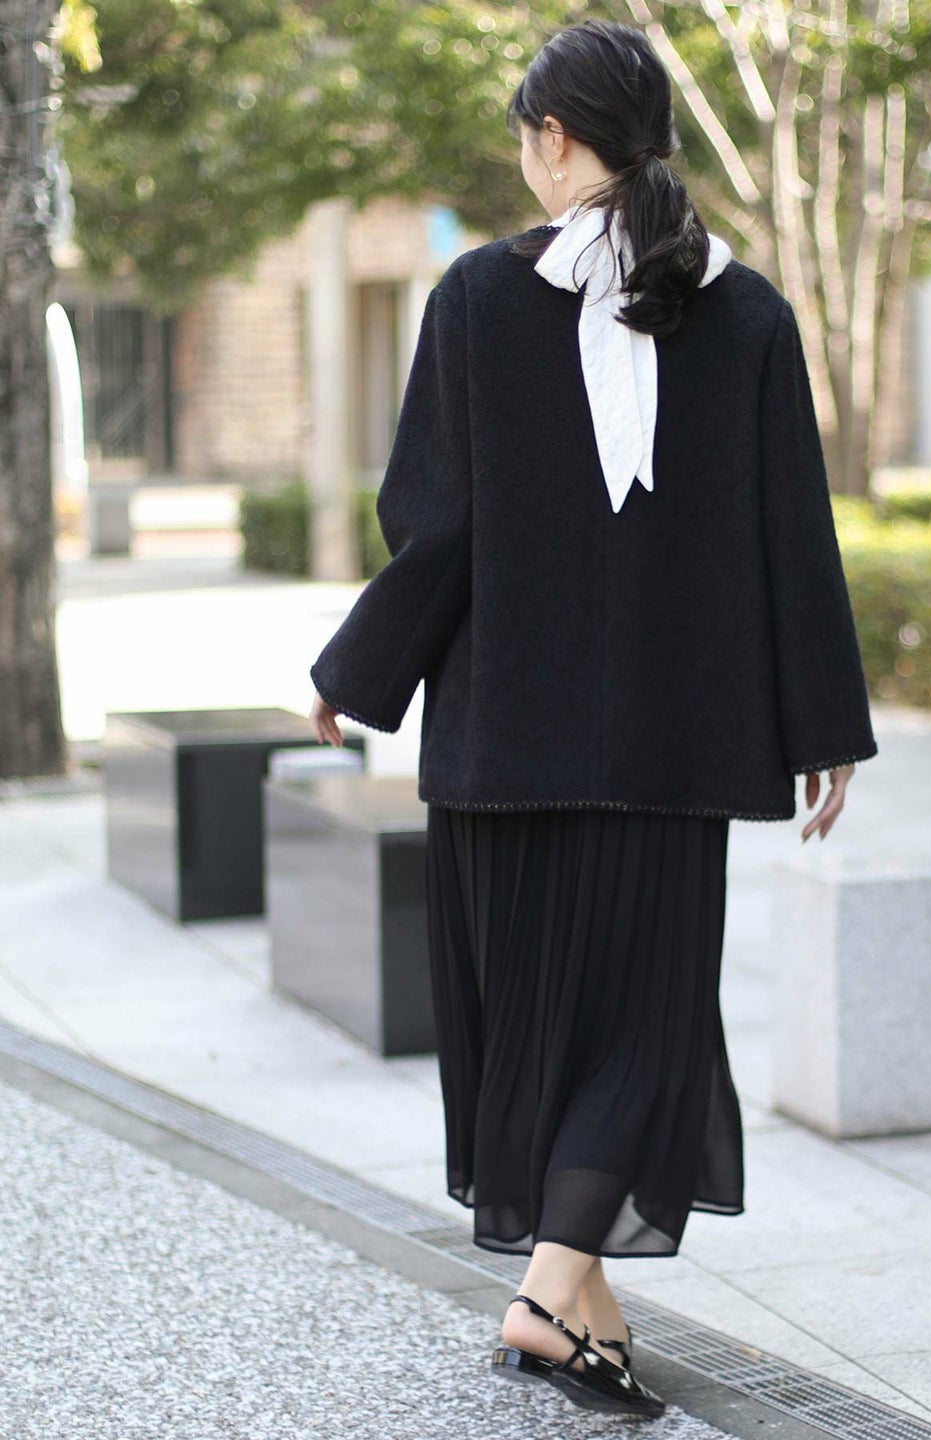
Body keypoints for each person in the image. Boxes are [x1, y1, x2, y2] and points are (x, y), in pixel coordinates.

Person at [308, 17, 878, 1421]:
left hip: (505, 744)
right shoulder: (749, 314)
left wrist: (354, 671)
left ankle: (548, 1302)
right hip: (677, 749)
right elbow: (793, 537)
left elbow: (435, 529)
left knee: (545, 1037)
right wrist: (823, 722)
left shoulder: (475, 298)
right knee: (644, 1032)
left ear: (555, 139)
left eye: (526, 134)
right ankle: (574, 1312)